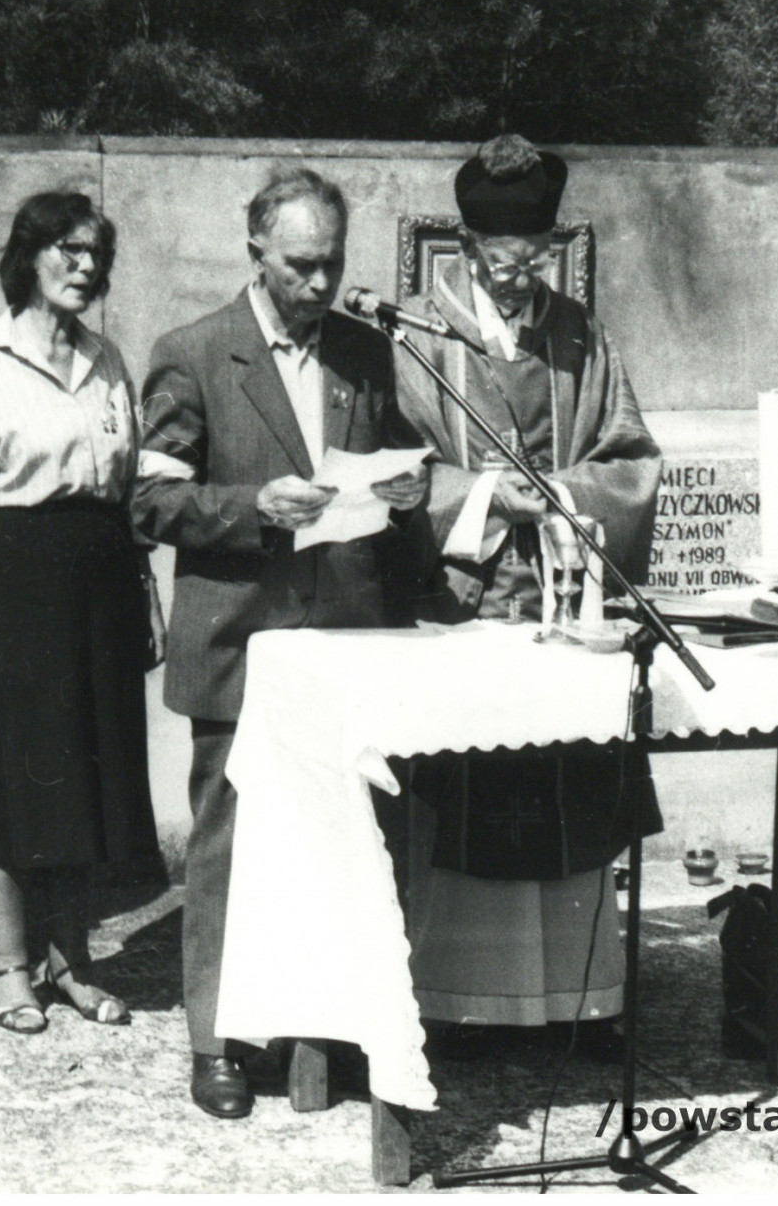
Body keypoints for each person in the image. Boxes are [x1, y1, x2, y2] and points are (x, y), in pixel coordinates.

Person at [133, 168, 429, 1119]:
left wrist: (405, 492)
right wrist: (251, 506)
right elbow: (150, 502)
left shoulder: (363, 354)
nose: (318, 283)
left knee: (344, 844)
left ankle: (331, 1031)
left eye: (332, 264)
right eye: (300, 264)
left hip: (346, 638)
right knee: (229, 844)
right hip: (239, 642)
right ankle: (218, 1041)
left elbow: (389, 465)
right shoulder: (192, 354)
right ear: (254, 249)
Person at [387, 134, 663, 1060]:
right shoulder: (416, 337)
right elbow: (393, 473)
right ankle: (456, 1004)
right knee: (471, 797)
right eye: (498, 263)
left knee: (571, 793)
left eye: (531, 261)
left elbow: (628, 459)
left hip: (561, 596)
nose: (515, 282)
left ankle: (579, 1002)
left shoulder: (579, 334)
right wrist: (480, 500)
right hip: (461, 604)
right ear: (464, 249)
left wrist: (569, 500)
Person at [0, 191, 164, 1035]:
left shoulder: (109, 361)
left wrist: (145, 594)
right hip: (14, 584)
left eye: (96, 253)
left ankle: (71, 960)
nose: (85, 267)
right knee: (16, 775)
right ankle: (6, 968)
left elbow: (128, 489)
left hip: (101, 581)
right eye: (67, 250)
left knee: (90, 777)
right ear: (28, 258)